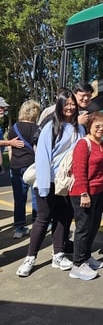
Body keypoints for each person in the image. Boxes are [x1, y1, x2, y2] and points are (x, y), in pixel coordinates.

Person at [16, 88, 84, 277]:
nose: (70, 107)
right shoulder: (51, 127)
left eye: (73, 104)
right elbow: (42, 157)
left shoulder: (80, 128)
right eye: (66, 104)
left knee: (62, 217)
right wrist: (44, 186)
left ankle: (58, 255)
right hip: (49, 181)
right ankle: (30, 258)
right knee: (42, 219)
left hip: (67, 182)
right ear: (59, 106)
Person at [69, 111, 103, 280]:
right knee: (83, 228)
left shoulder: (102, 143)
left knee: (94, 226)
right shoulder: (83, 143)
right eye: (97, 125)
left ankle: (86, 257)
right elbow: (79, 170)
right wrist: (84, 193)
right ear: (89, 126)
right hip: (83, 193)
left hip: (98, 192)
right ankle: (77, 265)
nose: (101, 128)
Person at [7, 100, 41, 238]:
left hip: (16, 166)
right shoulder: (36, 128)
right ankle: (37, 224)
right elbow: (36, 149)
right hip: (31, 166)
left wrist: (13, 163)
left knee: (19, 198)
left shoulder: (13, 128)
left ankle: (19, 228)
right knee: (36, 196)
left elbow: (10, 149)